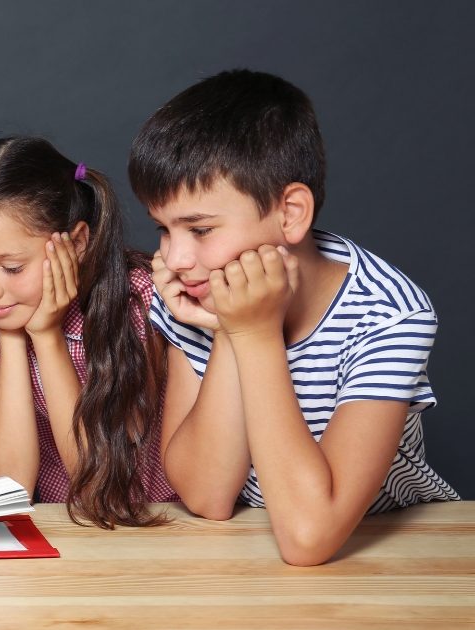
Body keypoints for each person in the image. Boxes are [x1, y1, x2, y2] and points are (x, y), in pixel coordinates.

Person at [135, 69, 459, 565]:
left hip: (389, 550)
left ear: (290, 214)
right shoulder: (196, 292)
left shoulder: (390, 314)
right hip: (246, 548)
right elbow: (207, 496)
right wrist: (228, 331)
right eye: (164, 229)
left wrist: (256, 334)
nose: (175, 258)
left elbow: (310, 536)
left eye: (199, 230)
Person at [0, 137, 176, 529]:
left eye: (12, 268)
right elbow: (7, 484)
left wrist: (47, 337)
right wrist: (12, 337)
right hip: (56, 527)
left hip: (159, 522)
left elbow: (98, 476)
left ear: (76, 243)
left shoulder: (137, 300)